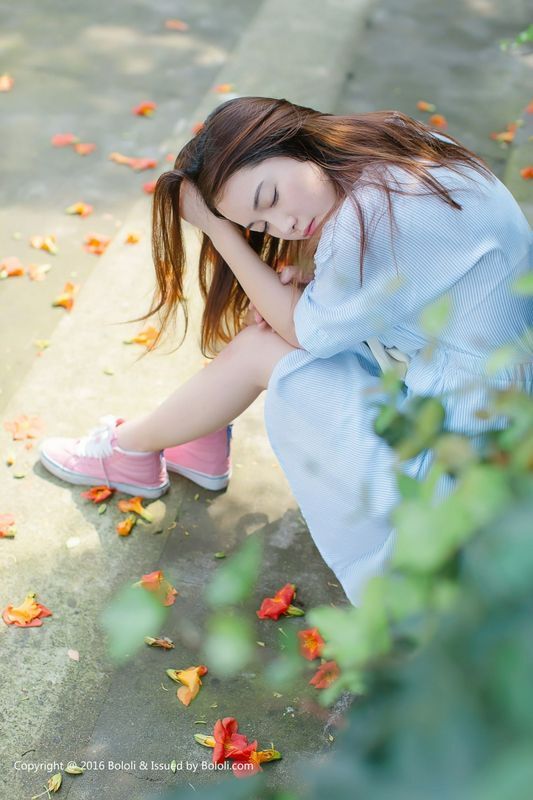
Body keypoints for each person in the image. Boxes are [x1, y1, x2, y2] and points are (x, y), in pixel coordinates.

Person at [39, 96, 533, 606]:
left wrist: (216, 228)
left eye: (270, 197)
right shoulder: (397, 146)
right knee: (274, 329)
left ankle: (133, 449)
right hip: (499, 414)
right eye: (262, 227)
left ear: (293, 140)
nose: (285, 226)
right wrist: (318, 286)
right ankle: (178, 442)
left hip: (463, 463)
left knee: (266, 348)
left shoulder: (371, 217)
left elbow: (302, 332)